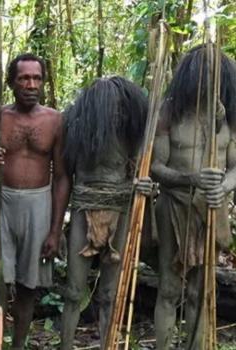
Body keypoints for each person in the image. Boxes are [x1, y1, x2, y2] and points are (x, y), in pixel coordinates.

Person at [151, 45, 236, 349]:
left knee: (201, 291)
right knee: (170, 289)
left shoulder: (229, 117)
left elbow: (235, 168)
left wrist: (222, 186)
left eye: (214, 74)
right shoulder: (170, 112)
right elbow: (154, 166)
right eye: (202, 73)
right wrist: (190, 179)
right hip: (174, 205)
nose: (208, 80)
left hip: (211, 209)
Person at [59, 76, 149, 349]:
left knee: (110, 292)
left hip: (119, 211)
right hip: (83, 209)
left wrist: (141, 182)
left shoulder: (132, 130)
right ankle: (65, 344)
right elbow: (65, 178)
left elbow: (143, 167)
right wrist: (56, 230)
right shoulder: (76, 127)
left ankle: (108, 344)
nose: (114, 110)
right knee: (74, 291)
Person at [0, 53, 70, 349]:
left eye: (36, 78)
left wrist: (55, 229)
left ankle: (19, 345)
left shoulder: (54, 120)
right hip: (2, 202)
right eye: (24, 78)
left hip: (38, 205)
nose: (31, 84)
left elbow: (61, 176)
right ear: (12, 82)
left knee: (28, 285)